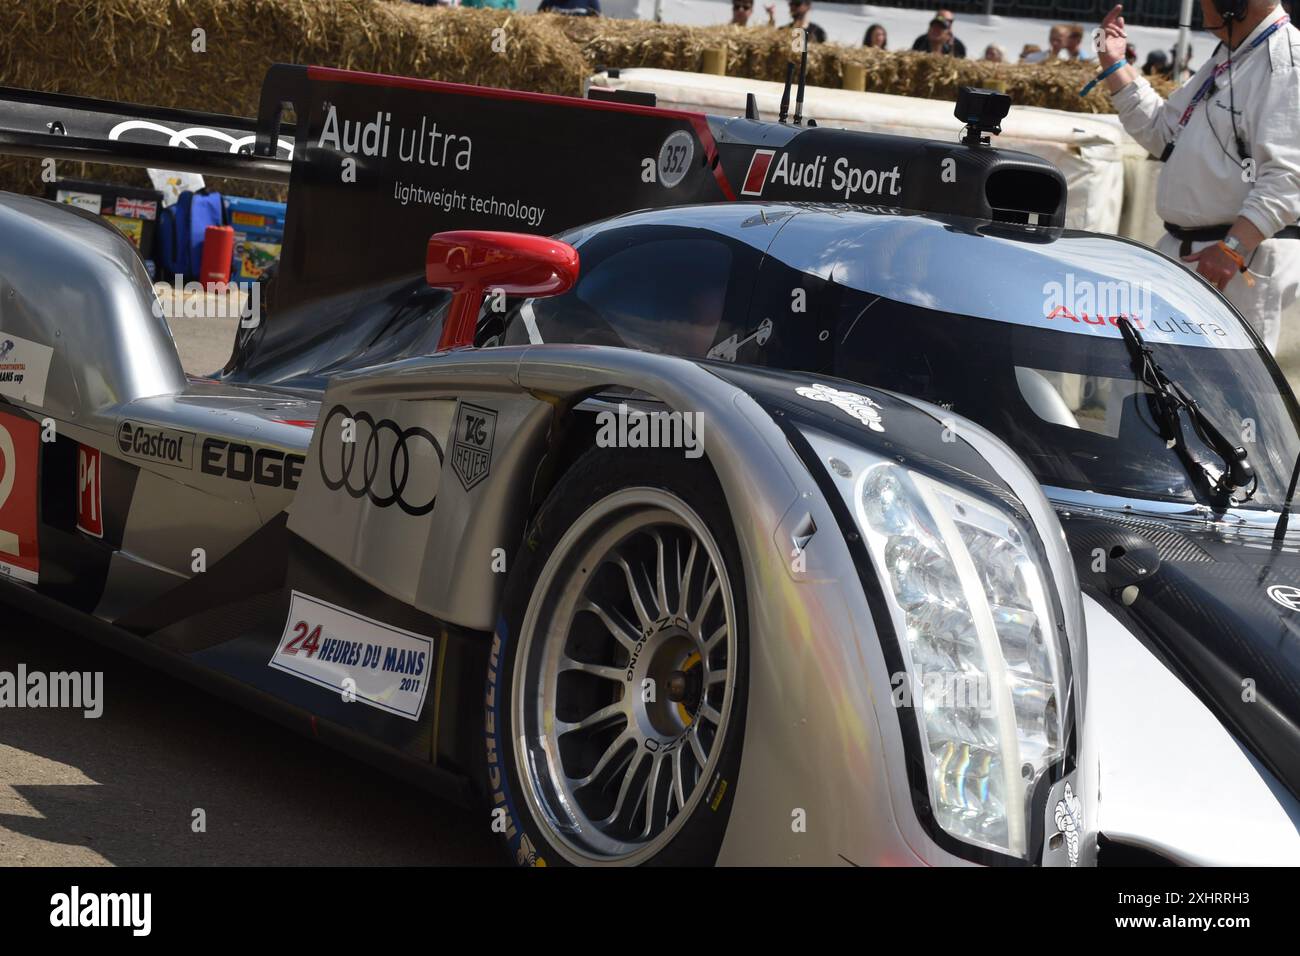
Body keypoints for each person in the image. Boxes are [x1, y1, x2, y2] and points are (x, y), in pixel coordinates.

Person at [1096, 1, 1300, 352]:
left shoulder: (1287, 62)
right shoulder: (1235, 53)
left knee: (1234, 397)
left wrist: (1232, 249)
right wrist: (1114, 64)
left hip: (1238, 260)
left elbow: (1289, 177)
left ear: (1233, 5)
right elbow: (1163, 133)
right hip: (1203, 257)